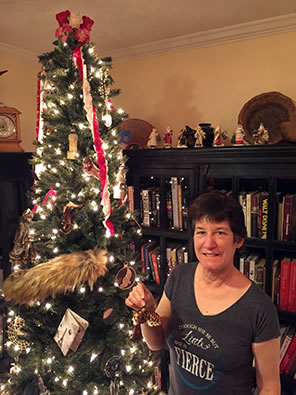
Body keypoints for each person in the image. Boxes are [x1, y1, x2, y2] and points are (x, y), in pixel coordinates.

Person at [125, 191, 281, 395]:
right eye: (201, 232)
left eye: (220, 232)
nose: (209, 243)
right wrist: (146, 312)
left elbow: (269, 387)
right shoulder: (179, 276)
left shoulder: (259, 308)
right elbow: (157, 342)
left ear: (238, 239)